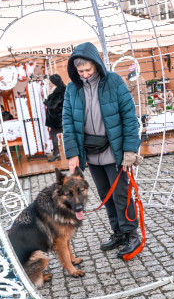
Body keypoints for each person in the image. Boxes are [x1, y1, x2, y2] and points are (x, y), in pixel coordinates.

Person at [62, 42, 142, 259]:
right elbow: (68, 122)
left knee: (121, 194)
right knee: (105, 194)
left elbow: (129, 116)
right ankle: (118, 232)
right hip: (91, 152)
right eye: (81, 72)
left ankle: (131, 234)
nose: (85, 75)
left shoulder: (114, 81)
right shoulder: (72, 89)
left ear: (97, 65)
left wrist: (129, 149)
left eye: (88, 70)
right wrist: (72, 154)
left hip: (114, 151)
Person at [44, 74, 66, 162]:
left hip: (58, 118)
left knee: (53, 133)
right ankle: (57, 154)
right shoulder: (61, 88)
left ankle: (56, 154)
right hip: (60, 117)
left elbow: (52, 105)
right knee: (61, 133)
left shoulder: (58, 91)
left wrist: (45, 101)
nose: (49, 83)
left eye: (51, 82)